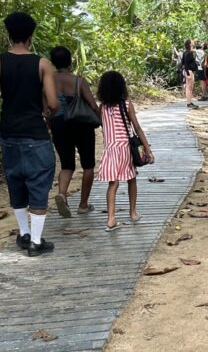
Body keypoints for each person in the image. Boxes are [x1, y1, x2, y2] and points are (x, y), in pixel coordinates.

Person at [0, 11, 59, 257]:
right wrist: (46, 110)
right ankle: (35, 241)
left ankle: (24, 234)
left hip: (9, 134)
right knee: (39, 183)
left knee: (16, 182)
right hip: (36, 134)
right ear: (31, 37)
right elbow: (54, 104)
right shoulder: (43, 64)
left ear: (9, 35)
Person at [96, 71, 154, 231]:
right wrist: (148, 150)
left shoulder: (102, 108)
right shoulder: (127, 104)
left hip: (110, 149)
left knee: (113, 184)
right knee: (131, 179)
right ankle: (133, 212)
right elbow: (137, 128)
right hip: (125, 149)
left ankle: (111, 218)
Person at [48, 45, 100, 219]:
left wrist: (51, 125)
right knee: (88, 165)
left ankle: (62, 194)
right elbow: (92, 104)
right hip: (81, 124)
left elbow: (46, 109)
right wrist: (100, 118)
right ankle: (83, 205)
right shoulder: (78, 81)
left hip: (58, 124)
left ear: (53, 62)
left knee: (67, 164)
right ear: (70, 61)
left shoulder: (48, 83)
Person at [181, 39, 199, 109]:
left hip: (189, 71)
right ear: (190, 44)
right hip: (189, 71)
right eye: (192, 42)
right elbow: (185, 64)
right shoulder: (189, 53)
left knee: (190, 87)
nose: (193, 42)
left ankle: (190, 102)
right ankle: (189, 103)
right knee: (189, 87)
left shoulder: (186, 52)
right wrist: (187, 74)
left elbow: (183, 63)